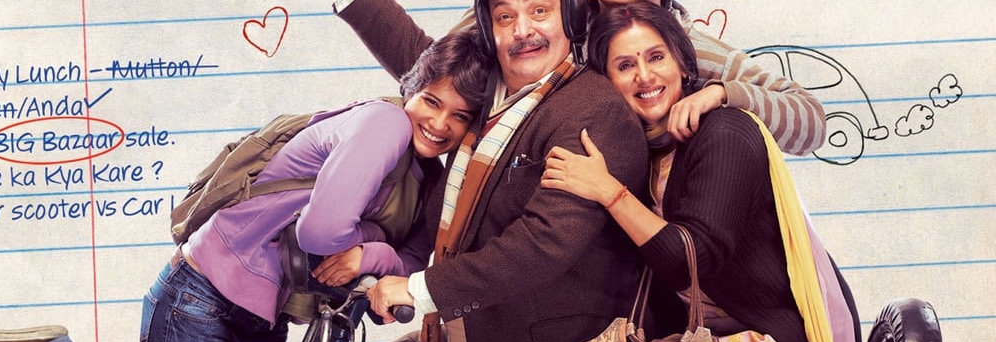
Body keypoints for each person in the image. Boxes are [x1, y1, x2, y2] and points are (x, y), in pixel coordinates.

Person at [0, 29, 490, 342]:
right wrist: (371, 249)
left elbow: (406, 272)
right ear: (411, 88)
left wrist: (368, 255)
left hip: (264, 321)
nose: (439, 123)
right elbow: (320, 231)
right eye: (432, 101)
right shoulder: (384, 123)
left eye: (460, 115)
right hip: (200, 298)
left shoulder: (431, 181)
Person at [540, 3, 872, 342]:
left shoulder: (724, 131)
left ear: (684, 61)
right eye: (625, 65)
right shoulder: (639, 146)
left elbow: (691, 259)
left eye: (656, 58)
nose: (644, 75)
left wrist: (608, 191)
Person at [339, 0, 650, 342]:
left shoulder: (592, 110)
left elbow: (544, 243)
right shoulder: (488, 93)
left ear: (570, 18)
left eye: (540, 11)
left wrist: (419, 289)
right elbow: (422, 63)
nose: (523, 30)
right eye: (506, 16)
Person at [333, 0, 827, 158]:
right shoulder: (538, 16)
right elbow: (435, 72)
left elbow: (810, 121)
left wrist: (723, 93)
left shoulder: (685, 43)